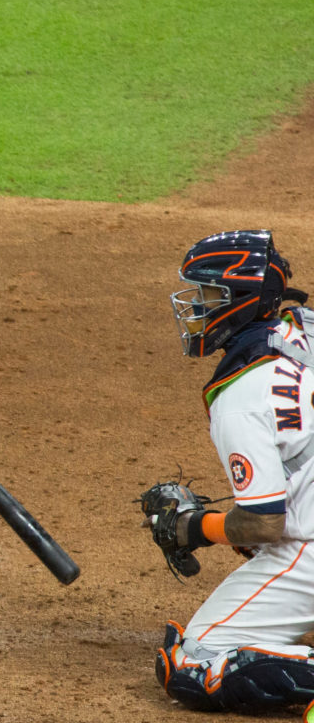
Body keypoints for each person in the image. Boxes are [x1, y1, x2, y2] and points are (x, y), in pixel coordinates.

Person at [154, 229, 314, 715]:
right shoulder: (301, 328)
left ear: (239, 301)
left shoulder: (240, 398)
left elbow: (267, 523)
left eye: (208, 296)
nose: (196, 309)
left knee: (196, 664)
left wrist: (191, 527)